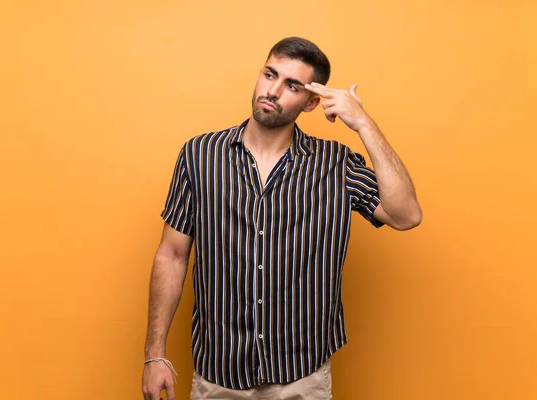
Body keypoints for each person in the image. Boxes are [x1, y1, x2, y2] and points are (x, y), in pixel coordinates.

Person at [142, 37, 422, 400]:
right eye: (269, 74)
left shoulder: (334, 164)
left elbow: (406, 215)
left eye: (292, 85)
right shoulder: (200, 155)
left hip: (301, 377)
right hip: (217, 374)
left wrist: (364, 124)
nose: (272, 91)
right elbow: (171, 255)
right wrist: (154, 355)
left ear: (311, 103)